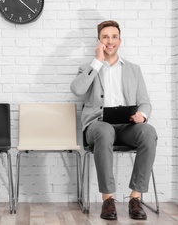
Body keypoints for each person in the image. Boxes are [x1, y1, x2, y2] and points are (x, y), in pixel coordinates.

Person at [70, 20, 157, 220]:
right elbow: (77, 90)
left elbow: (145, 102)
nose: (110, 41)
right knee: (104, 130)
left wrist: (141, 115)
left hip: (127, 126)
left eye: (114, 36)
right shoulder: (89, 67)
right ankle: (108, 199)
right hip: (98, 126)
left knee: (149, 132)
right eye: (105, 37)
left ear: (120, 40)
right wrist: (97, 62)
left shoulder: (133, 69)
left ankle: (135, 198)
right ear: (99, 41)